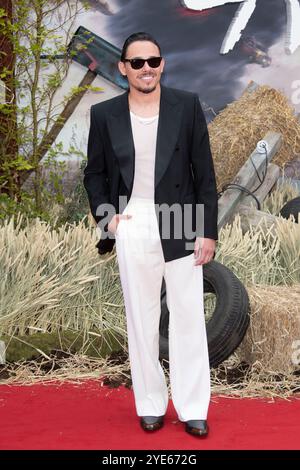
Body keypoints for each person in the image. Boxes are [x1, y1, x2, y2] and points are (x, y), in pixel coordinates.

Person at [83, 32, 218, 437]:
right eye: (137, 62)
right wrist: (108, 219)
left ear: (162, 64)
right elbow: (95, 174)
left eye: (153, 61)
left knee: (189, 317)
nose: (147, 69)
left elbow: (204, 173)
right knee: (141, 319)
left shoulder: (186, 105)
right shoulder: (105, 114)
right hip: (134, 218)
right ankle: (150, 404)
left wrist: (206, 230)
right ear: (123, 68)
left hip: (180, 215)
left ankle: (194, 407)